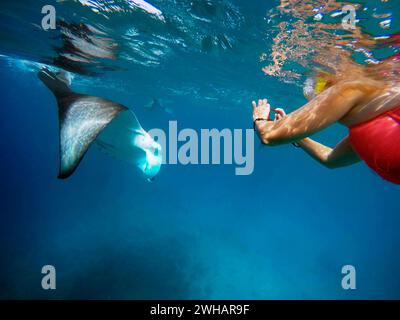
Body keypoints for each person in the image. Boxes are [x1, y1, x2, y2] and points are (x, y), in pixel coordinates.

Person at [252, 71, 400, 184]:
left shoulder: (355, 88)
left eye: (321, 89)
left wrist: (260, 119)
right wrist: (298, 136)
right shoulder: (369, 127)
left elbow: (268, 136)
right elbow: (331, 159)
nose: (318, 101)